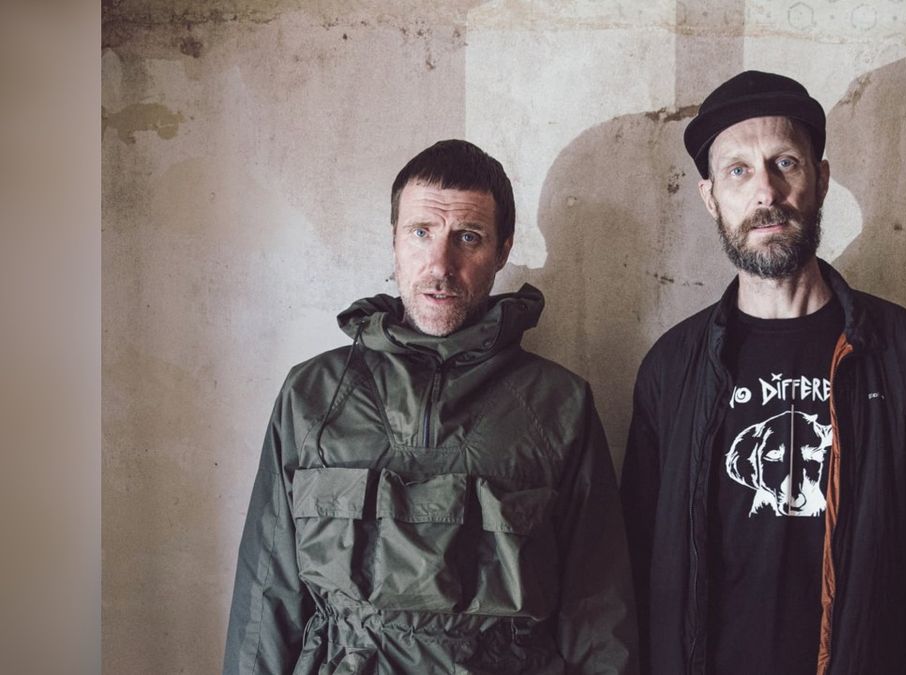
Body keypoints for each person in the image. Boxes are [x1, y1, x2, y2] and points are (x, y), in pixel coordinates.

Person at [223, 140, 637, 674]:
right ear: (393, 240)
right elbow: (267, 594)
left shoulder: (558, 403)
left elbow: (596, 607)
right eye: (421, 232)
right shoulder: (314, 394)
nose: (440, 265)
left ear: (502, 251)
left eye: (468, 237)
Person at [620, 71, 906, 674]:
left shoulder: (900, 349)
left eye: (785, 163)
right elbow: (635, 558)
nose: (766, 191)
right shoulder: (672, 368)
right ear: (711, 198)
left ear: (821, 179)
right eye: (738, 171)